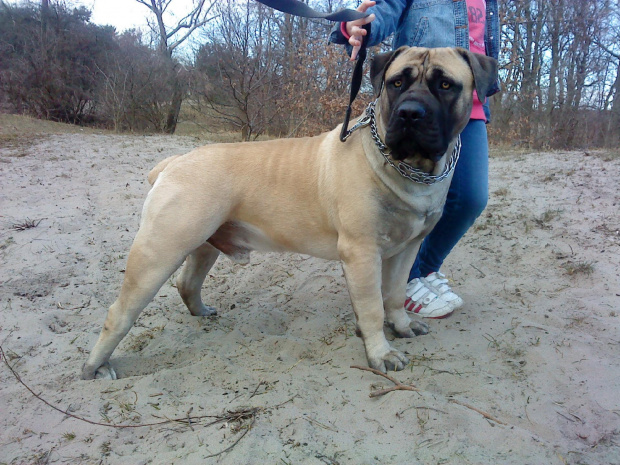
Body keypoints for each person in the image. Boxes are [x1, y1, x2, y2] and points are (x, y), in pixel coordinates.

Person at [329, 0, 500, 318]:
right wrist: (358, 26)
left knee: (470, 198)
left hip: (462, 107)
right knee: (399, 204)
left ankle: (420, 270)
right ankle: (404, 282)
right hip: (409, 102)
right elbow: (384, 12)